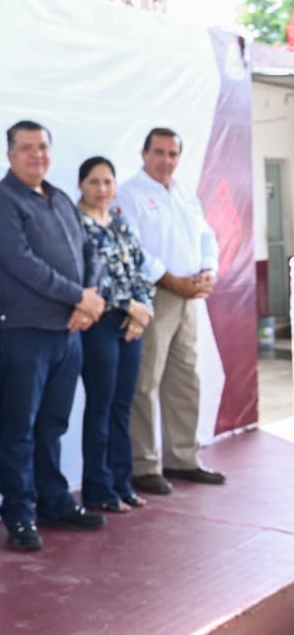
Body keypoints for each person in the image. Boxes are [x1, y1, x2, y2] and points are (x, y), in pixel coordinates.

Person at [0, 120, 106, 552]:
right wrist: (78, 297)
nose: (37, 155)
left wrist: (89, 298)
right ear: (10, 155)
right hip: (19, 330)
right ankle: (19, 514)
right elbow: (22, 263)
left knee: (53, 423)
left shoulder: (60, 197)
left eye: (43, 147)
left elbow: (89, 251)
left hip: (65, 330)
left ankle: (54, 501)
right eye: (27, 148)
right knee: (20, 427)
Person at [113, 127, 225, 495]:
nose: (166, 160)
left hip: (189, 297)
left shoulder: (184, 193)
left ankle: (182, 457)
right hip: (155, 296)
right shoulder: (129, 194)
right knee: (145, 382)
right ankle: (144, 465)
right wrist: (170, 279)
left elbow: (206, 236)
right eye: (159, 152)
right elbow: (133, 248)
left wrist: (208, 270)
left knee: (185, 378)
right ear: (144, 154)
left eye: (173, 154)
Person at [75, 156, 155, 513]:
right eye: (94, 182)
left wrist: (143, 310)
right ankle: (99, 488)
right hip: (101, 324)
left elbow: (141, 269)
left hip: (131, 325)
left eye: (108, 182)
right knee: (101, 406)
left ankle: (123, 483)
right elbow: (88, 277)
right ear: (81, 185)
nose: (102, 189)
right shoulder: (76, 224)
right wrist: (128, 305)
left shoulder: (121, 223)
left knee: (123, 407)